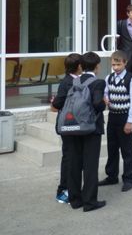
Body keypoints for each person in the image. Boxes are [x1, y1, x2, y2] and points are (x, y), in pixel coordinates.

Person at [52, 51, 107, 212]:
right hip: (90, 129)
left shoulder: (73, 81)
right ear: (97, 66)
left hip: (72, 126)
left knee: (74, 163)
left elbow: (60, 103)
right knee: (90, 165)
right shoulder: (98, 83)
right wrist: (104, 102)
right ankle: (90, 202)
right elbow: (97, 104)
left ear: (81, 66)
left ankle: (75, 200)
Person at [99, 50, 132, 192]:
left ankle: (128, 178)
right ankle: (112, 176)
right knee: (112, 147)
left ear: (125, 63)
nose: (115, 67)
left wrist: (130, 121)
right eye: (113, 65)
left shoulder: (131, 79)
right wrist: (105, 98)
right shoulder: (109, 78)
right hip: (112, 116)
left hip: (124, 117)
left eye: (118, 64)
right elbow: (105, 92)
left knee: (127, 149)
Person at [52, 53, 83, 204]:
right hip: (68, 125)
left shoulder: (75, 80)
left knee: (73, 157)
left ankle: (71, 188)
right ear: (78, 66)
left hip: (74, 125)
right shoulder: (67, 82)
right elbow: (58, 103)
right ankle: (63, 190)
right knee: (69, 158)